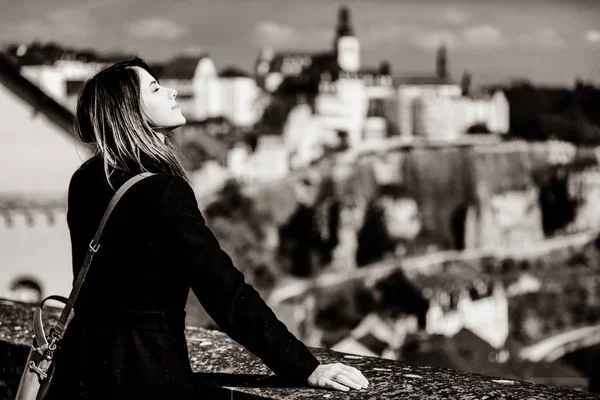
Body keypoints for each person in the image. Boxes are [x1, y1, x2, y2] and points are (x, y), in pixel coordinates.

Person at [45, 57, 368, 399]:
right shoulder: (163, 191)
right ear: (131, 112)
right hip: (147, 375)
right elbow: (224, 291)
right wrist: (306, 367)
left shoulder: (84, 180)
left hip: (82, 370)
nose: (171, 92)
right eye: (155, 88)